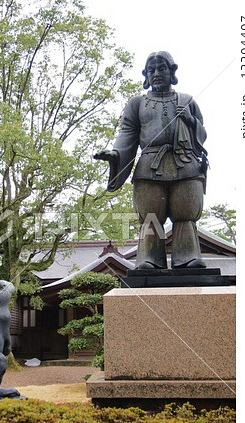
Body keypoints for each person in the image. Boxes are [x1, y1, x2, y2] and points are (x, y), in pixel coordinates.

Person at [94, 51, 208, 269]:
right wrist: (116, 155)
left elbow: (202, 134)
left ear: (172, 71)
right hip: (149, 165)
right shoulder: (137, 103)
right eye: (151, 70)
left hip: (185, 162)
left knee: (185, 212)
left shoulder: (186, 100)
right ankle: (149, 258)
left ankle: (188, 257)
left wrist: (190, 120)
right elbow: (127, 133)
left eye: (161, 68)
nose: (156, 73)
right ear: (145, 74)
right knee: (150, 217)